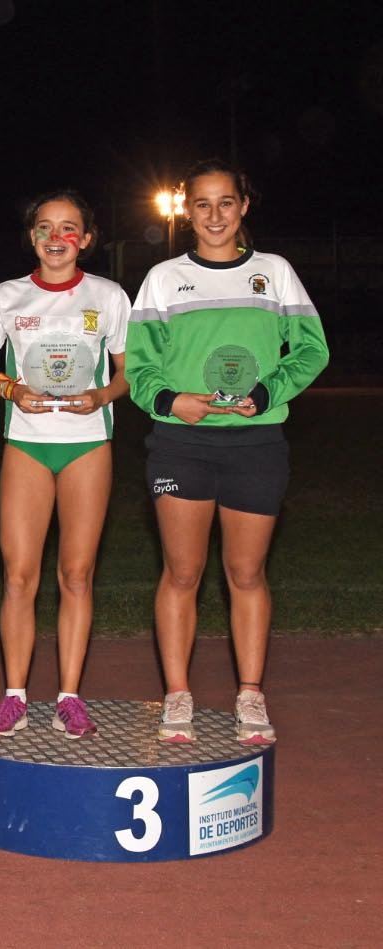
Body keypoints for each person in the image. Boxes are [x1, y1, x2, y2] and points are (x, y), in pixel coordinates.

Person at [125, 160, 328, 745]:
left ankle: (250, 695)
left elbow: (311, 351)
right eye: (202, 204)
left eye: (226, 202)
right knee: (182, 572)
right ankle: (178, 696)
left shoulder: (275, 273)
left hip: (257, 444)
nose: (214, 215)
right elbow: (139, 367)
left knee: (246, 572)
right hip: (180, 444)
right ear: (187, 212)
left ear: (244, 206)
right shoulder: (163, 279)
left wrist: (266, 393)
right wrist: (171, 400)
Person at [0, 190, 131, 739]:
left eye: (68, 228)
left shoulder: (109, 296)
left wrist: (100, 397)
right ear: (31, 237)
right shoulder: (7, 296)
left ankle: (69, 697)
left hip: (87, 444)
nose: (56, 237)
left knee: (77, 575)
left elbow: (129, 374)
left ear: (86, 239)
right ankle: (14, 695)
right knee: (18, 577)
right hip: (27, 445)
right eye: (44, 227)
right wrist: (11, 390)